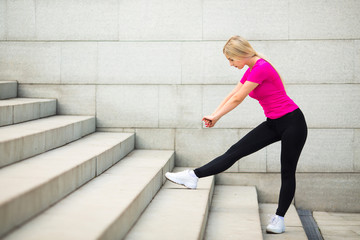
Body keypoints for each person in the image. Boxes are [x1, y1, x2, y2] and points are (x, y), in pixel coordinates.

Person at [165, 35, 308, 234]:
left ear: (241, 55)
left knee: (287, 171)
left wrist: (218, 117)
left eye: (231, 60)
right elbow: (233, 94)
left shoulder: (261, 68)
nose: (231, 64)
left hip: (293, 123)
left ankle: (279, 218)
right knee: (235, 152)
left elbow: (238, 99)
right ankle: (193, 176)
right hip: (274, 123)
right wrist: (214, 115)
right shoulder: (251, 69)